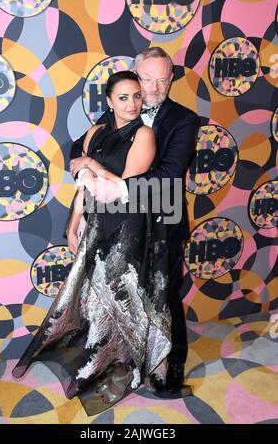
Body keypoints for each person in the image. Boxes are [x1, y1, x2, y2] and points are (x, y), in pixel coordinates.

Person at [12, 70, 180, 416]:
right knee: (91, 296)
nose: (133, 103)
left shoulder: (144, 135)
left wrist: (89, 165)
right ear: (108, 101)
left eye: (137, 96)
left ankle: (115, 368)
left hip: (131, 225)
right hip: (97, 223)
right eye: (124, 97)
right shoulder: (95, 132)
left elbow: (125, 186)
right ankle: (93, 360)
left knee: (123, 298)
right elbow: (83, 187)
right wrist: (73, 225)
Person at [70, 47, 200, 398]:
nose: (154, 87)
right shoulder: (125, 106)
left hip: (164, 217)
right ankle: (122, 362)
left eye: (161, 79)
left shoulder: (184, 119)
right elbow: (85, 146)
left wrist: (110, 183)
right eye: (146, 79)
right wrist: (85, 165)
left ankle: (170, 365)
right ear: (135, 78)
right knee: (121, 295)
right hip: (121, 224)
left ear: (171, 78)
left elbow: (170, 173)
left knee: (164, 296)